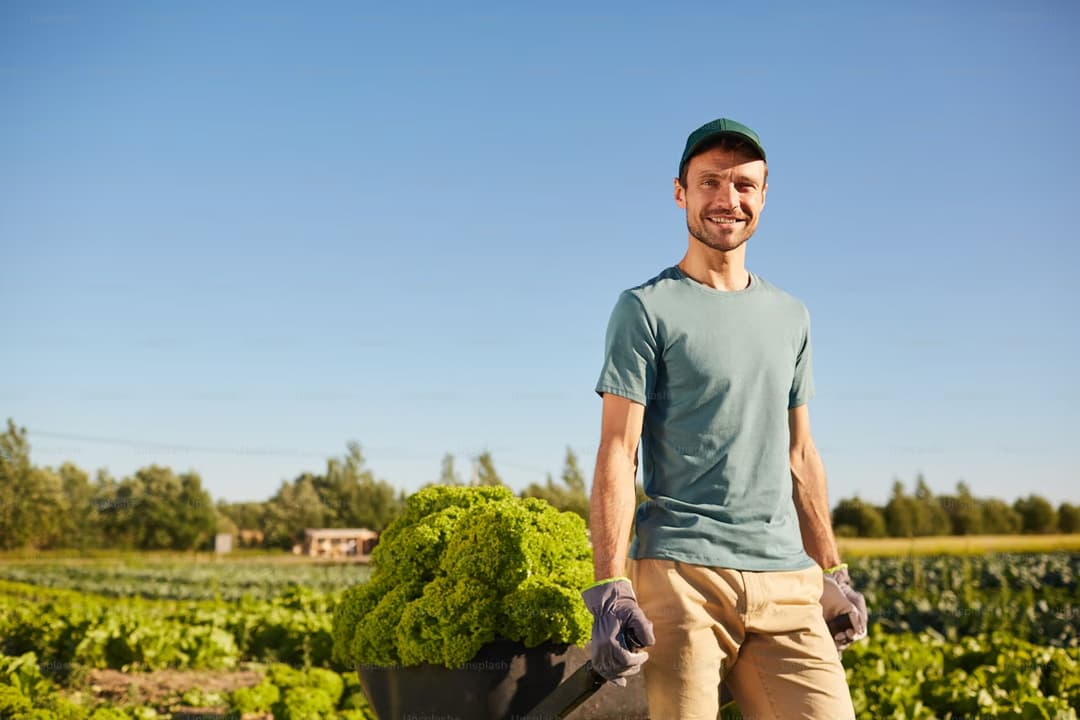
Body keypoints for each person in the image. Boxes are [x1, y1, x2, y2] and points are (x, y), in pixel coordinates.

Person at [582, 118, 868, 719]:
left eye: (743, 185)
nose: (727, 199)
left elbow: (801, 455)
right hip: (683, 578)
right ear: (681, 191)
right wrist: (611, 584)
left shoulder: (792, 316)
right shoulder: (645, 309)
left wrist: (833, 569)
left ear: (763, 196)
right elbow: (617, 451)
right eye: (709, 181)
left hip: (788, 581)